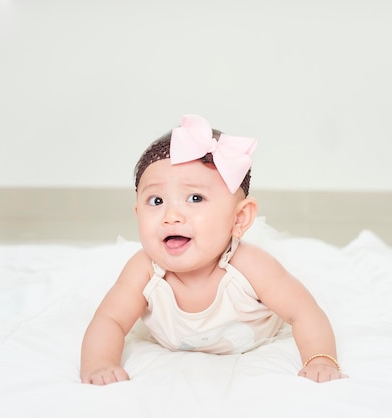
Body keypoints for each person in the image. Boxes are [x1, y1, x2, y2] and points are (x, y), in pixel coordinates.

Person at [80, 114, 345, 385]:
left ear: (238, 218)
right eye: (156, 200)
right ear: (137, 214)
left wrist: (319, 358)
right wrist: (100, 362)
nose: (171, 215)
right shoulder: (144, 270)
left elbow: (303, 311)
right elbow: (109, 319)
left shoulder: (250, 266)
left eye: (195, 198)